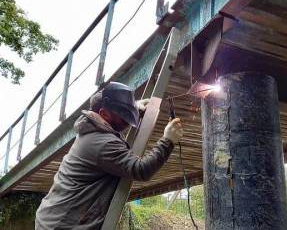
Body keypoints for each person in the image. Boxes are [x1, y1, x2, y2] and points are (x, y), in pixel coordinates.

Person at [35, 82, 183, 229]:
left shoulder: (94, 127)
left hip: (53, 218)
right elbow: (141, 169)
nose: (127, 120)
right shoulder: (102, 143)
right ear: (104, 114)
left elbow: (113, 121)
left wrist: (135, 108)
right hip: (61, 225)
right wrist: (168, 141)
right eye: (123, 116)